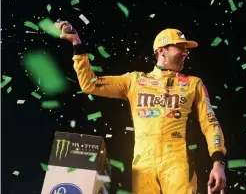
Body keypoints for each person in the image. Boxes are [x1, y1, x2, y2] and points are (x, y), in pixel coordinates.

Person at [55, 21, 227, 194]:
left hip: (178, 163)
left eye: (186, 49)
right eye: (180, 47)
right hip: (143, 164)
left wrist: (218, 162)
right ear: (162, 50)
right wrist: (77, 44)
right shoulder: (135, 81)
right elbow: (89, 85)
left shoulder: (193, 84)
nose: (185, 53)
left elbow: (210, 122)